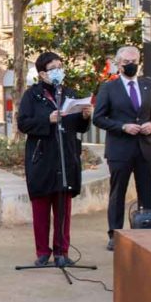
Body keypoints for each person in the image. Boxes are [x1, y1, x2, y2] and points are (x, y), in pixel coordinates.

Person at [17, 52, 93, 267]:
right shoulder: (32, 96)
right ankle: (42, 252)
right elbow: (23, 123)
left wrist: (85, 117)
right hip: (41, 158)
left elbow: (78, 126)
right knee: (41, 209)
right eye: (53, 68)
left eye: (61, 66)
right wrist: (47, 119)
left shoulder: (69, 93)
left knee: (63, 210)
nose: (59, 70)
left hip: (65, 157)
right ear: (42, 73)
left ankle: (62, 252)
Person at [92, 45, 151, 251]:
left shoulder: (148, 86)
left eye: (135, 62)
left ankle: (145, 232)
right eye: (126, 63)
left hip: (146, 149)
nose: (131, 65)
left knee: (146, 194)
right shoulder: (108, 88)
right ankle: (115, 234)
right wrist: (122, 126)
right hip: (120, 150)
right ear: (118, 64)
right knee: (118, 194)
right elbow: (98, 118)